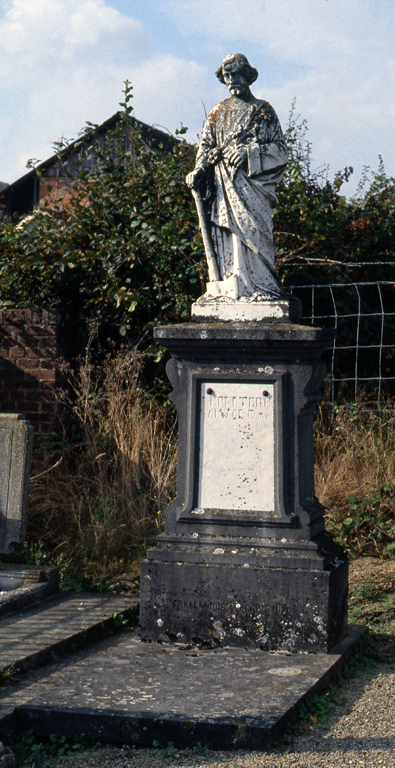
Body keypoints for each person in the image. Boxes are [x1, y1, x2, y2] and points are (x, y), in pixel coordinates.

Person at [186, 53, 287, 300]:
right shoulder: (217, 113)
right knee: (228, 235)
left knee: (255, 234)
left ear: (247, 75)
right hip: (223, 186)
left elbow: (280, 152)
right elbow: (205, 149)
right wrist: (199, 170)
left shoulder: (263, 110)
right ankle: (232, 287)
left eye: (236, 74)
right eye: (227, 75)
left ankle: (260, 288)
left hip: (252, 191)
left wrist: (249, 153)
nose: (231, 80)